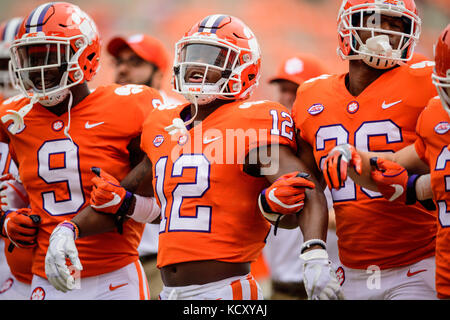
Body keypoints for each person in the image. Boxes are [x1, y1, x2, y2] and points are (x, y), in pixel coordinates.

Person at [46, 14, 343, 300]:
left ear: (244, 69)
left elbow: (305, 187)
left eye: (214, 57)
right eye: (194, 53)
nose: (197, 64)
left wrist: (315, 253)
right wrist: (70, 228)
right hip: (169, 290)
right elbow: (121, 196)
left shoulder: (253, 122)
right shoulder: (162, 123)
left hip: (225, 289)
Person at [0, 2, 163, 300]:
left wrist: (124, 198)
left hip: (114, 276)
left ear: (83, 54)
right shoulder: (11, 116)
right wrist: (5, 219)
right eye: (30, 57)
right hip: (47, 276)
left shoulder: (131, 104)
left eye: (49, 56)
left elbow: (161, 200)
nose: (38, 69)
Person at [291, 0, 438, 299]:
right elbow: (307, 186)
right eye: (375, 21)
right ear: (348, 26)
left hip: (421, 261)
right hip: (350, 269)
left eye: (396, 25)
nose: (385, 31)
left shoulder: (427, 80)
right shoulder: (311, 95)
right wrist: (314, 252)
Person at [322, 24, 450, 299]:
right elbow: (397, 165)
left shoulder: (428, 98)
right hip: (443, 278)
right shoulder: (436, 118)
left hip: (421, 261)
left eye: (395, 24)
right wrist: (351, 155)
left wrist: (417, 186)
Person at [106, 33, 183, 300]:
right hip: (103, 258)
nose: (123, 69)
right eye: (119, 61)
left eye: (136, 62)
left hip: (160, 260)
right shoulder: (99, 112)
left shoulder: (180, 115)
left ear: (160, 74)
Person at [263, 53, 339, 299]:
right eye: (282, 90)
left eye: (294, 91)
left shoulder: (335, 142)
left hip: (332, 283)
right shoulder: (268, 149)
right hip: (280, 287)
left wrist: (311, 212)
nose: (286, 98)